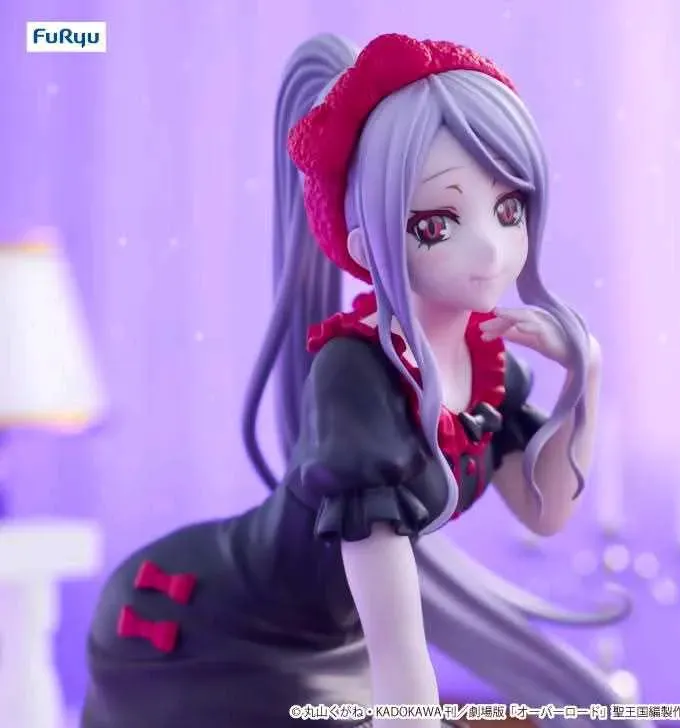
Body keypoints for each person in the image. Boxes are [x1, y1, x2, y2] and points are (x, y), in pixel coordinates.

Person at [81, 32, 646, 728]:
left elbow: (544, 510)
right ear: (364, 242)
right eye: (436, 224)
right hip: (213, 628)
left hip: (337, 643)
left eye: (509, 210)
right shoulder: (356, 372)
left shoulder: (492, 364)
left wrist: (584, 375)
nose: (490, 249)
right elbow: (393, 623)